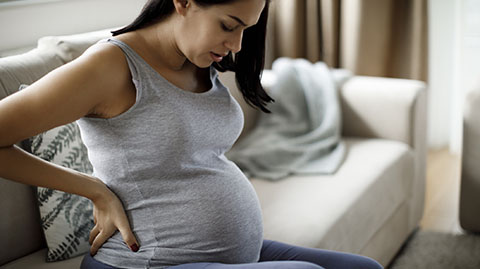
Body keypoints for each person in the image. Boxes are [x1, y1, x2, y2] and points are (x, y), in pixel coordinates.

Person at [0, 0, 384, 268]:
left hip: (222, 255)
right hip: (146, 263)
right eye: (228, 25)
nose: (236, 45)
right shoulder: (111, 67)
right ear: (182, 1)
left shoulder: (199, 59)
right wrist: (93, 188)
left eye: (245, 30)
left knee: (363, 268)